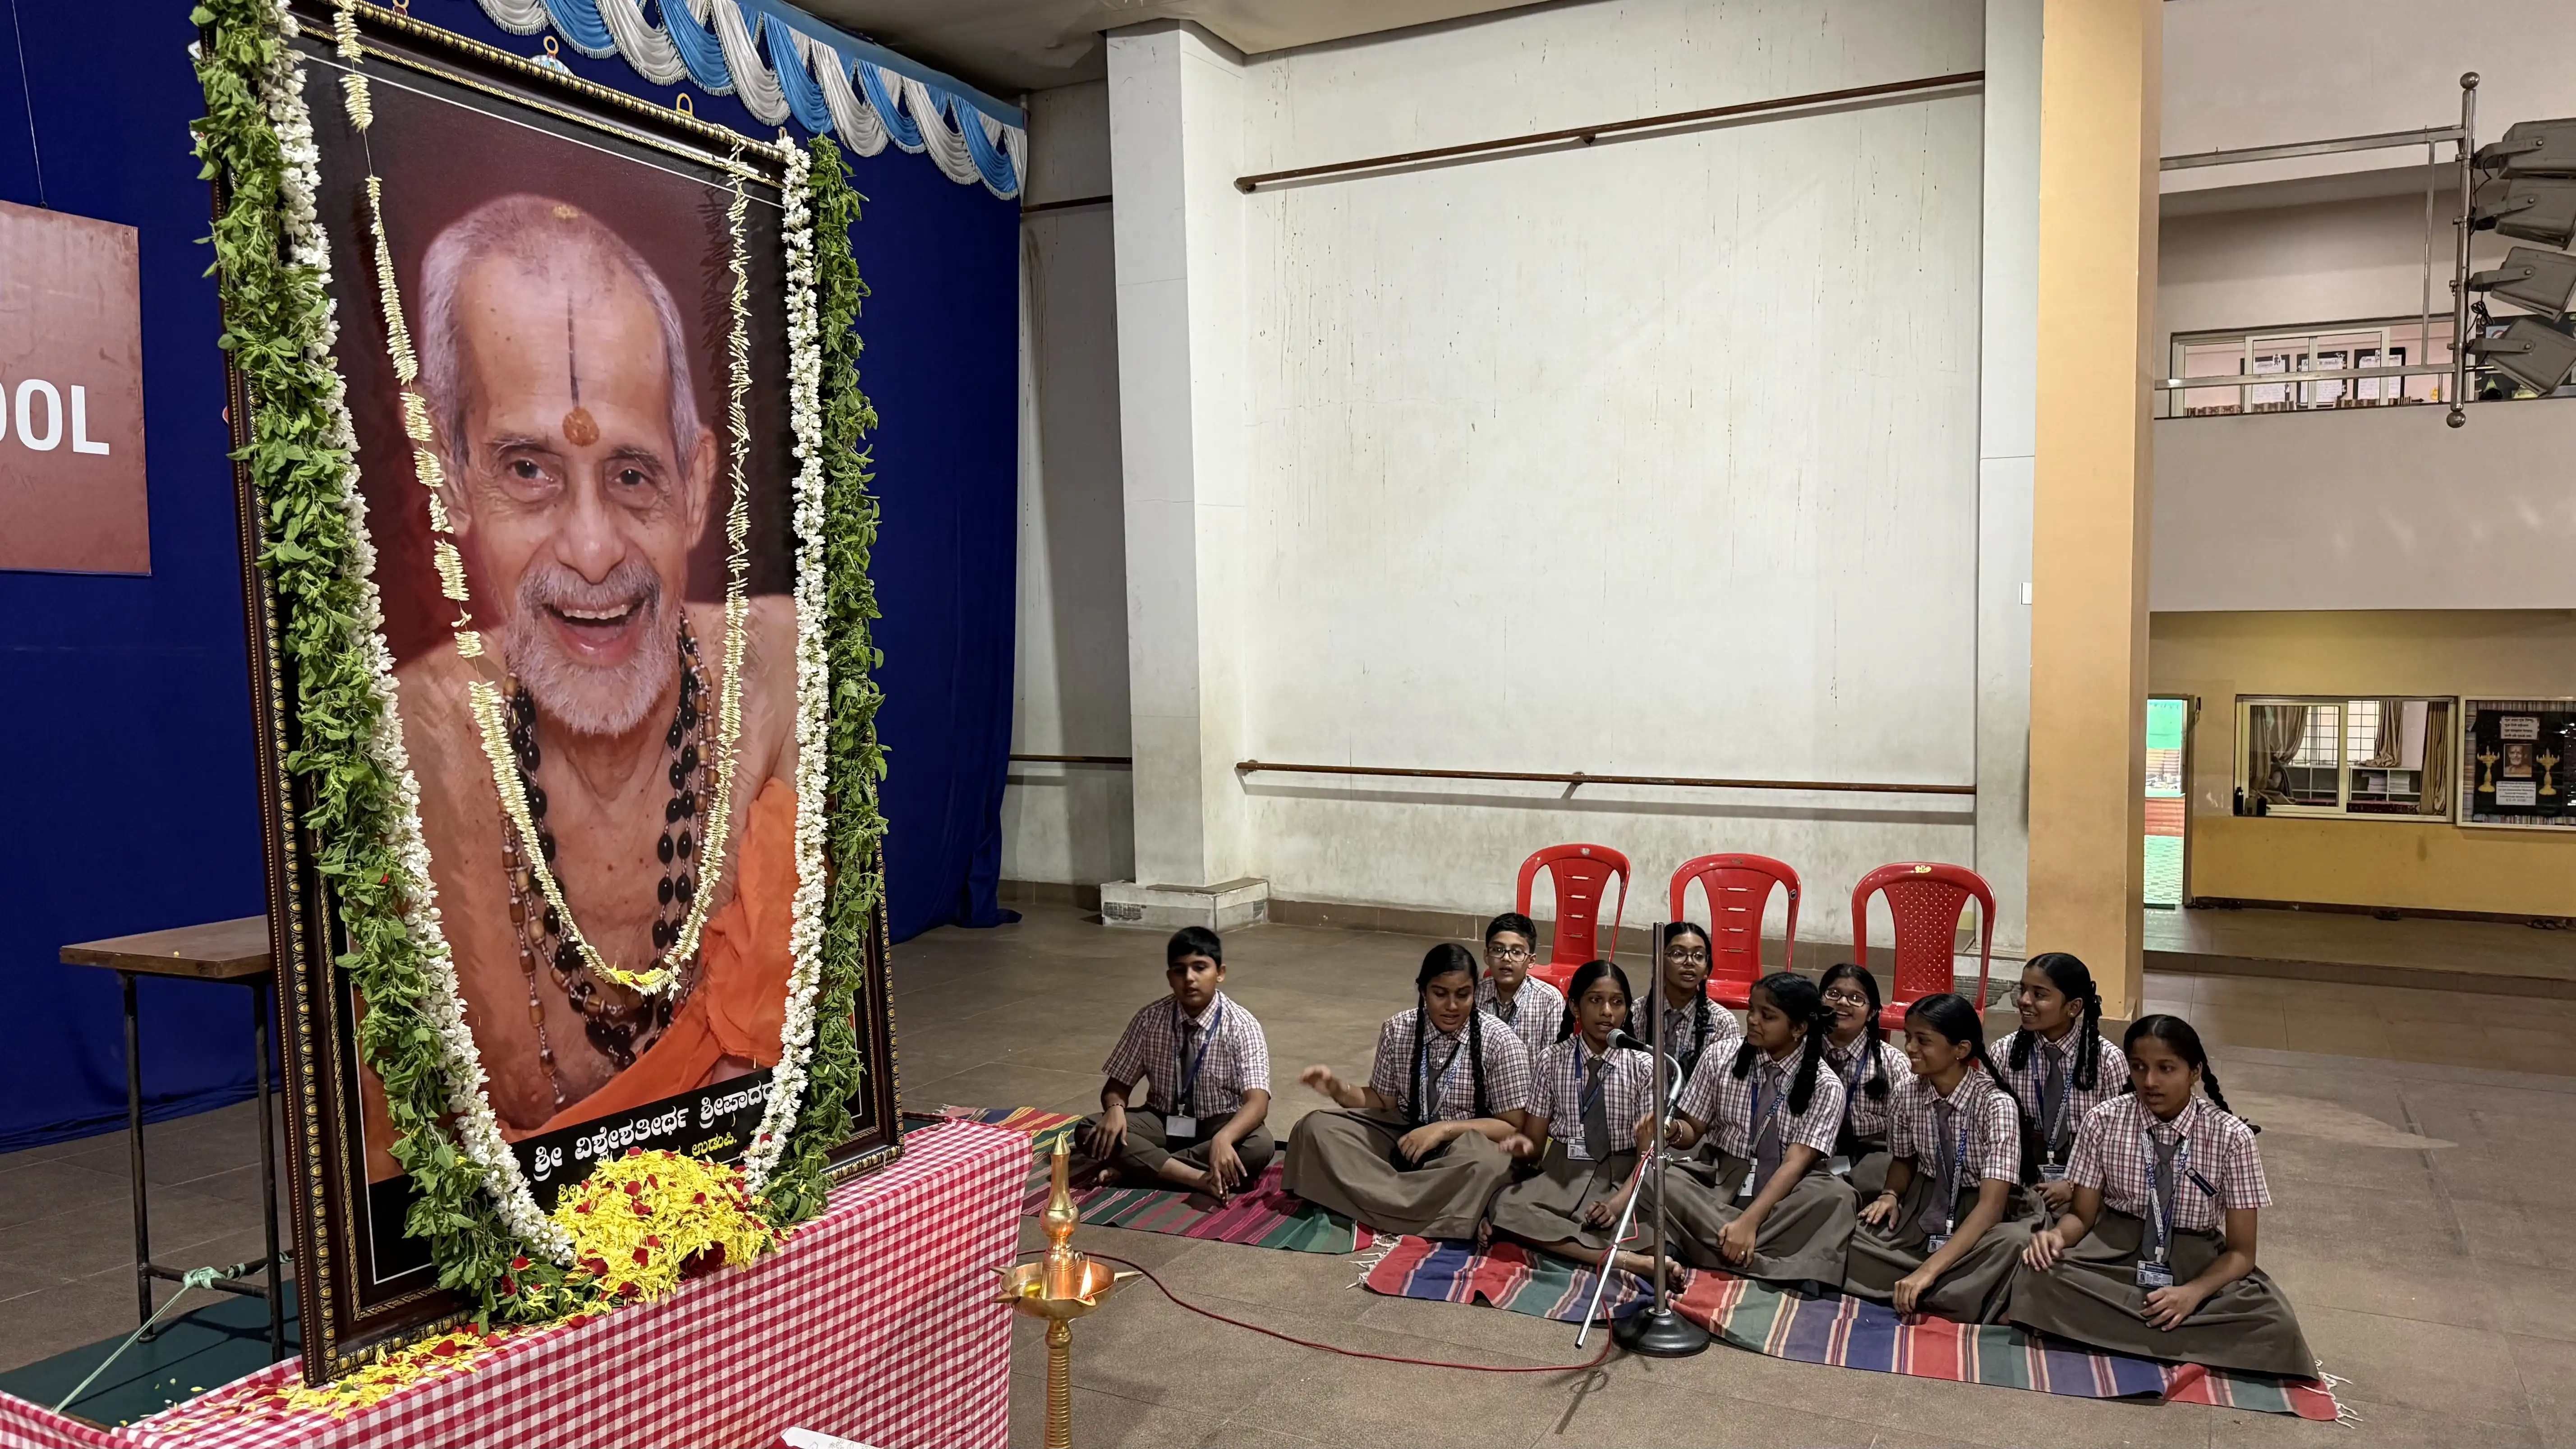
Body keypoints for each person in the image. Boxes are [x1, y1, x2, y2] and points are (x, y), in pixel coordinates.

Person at [362, 194, 800, 1176]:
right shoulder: (413, 738)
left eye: (634, 474)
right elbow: (403, 1163)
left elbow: (811, 1065)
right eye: (530, 468)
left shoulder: (773, 675)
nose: (595, 550)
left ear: (695, 487)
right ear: (450, 476)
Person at [2008, 1016, 2315, 1378]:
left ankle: (2110, 1330)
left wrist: (2192, 1293)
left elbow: (2242, 1252)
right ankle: (2169, 1337)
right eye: (2139, 1067)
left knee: (2273, 1323)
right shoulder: (2103, 1120)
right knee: (2038, 1275)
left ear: (2194, 1071)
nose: (2150, 1081)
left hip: (2193, 1258)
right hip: (2113, 1251)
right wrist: (2056, 1237)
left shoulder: (2232, 1137)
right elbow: (2082, 1217)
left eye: (2166, 1068)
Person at [1283, 943, 1532, 1239]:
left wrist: (1444, 1130)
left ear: (1475, 992)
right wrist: (1340, 1088)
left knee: (1491, 1164)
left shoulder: (1501, 1041)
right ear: (1423, 991)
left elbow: (1513, 1127)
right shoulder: (1399, 1028)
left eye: (1462, 994)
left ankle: (1376, 1202)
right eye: (1440, 993)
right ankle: (1440, 1211)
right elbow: (1381, 1100)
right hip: (1404, 1134)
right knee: (1315, 1127)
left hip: (1464, 1147)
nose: (1452, 1006)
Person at [1652, 972, 1857, 1286]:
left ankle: (1704, 1245)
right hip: (1720, 1178)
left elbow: (1794, 1165)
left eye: (1767, 1015)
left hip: (1786, 1192)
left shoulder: (1826, 1085)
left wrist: (1748, 1223)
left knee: (1837, 1197)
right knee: (1660, 1179)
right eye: (1751, 1009)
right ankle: (1783, 1264)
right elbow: (1693, 1129)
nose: (1752, 1020)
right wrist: (1672, 1131)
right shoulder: (1721, 1055)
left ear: (1799, 1029)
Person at [1843, 993, 2032, 1321]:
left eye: (1923, 1040)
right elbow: (1903, 1161)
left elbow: (1992, 1208)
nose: (1911, 1048)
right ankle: (1957, 1293)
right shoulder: (1906, 1091)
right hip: (1927, 1199)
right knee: (1850, 1239)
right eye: (1909, 1037)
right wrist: (1890, 1195)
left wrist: (1928, 1270)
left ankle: (1926, 1281)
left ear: (1961, 1050)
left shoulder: (1996, 1105)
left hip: (1981, 1209)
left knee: (2014, 1243)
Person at [1489, 961, 1674, 1285]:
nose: (1607, 1012)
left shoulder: (1644, 1065)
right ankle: (1631, 1262)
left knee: (1656, 1223)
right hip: (1564, 1170)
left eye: (1617, 1002)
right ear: (1575, 1005)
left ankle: (1586, 1246)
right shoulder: (1552, 1059)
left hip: (1623, 1174)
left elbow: (1649, 1157)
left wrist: (1617, 1205)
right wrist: (1523, 1147)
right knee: (1505, 1207)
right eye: (1595, 1000)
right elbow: (1533, 1144)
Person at [1072, 926, 1273, 1200]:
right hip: (1162, 1120)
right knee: (1089, 1129)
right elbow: (1116, 1086)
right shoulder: (1150, 1019)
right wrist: (1116, 1109)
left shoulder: (1242, 1026)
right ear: (1170, 977)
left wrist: (1224, 1138)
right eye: (1180, 970)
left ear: (1220, 973)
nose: (1189, 979)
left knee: (1259, 1146)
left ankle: (1140, 1168)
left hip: (1217, 1124)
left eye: (1200, 968)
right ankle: (1198, 1178)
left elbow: (1257, 1103)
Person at [1991, 952, 2127, 1211]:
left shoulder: (2107, 1062)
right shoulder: (2004, 1053)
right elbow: (1988, 1126)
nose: (2024, 1001)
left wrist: (2073, 1184)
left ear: (2073, 1007)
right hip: (2020, 1169)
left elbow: (2120, 1140)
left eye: (2039, 994)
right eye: (2023, 991)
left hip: (2089, 1177)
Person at [1817, 962, 1911, 1196]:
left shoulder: (1894, 1064)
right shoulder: (1800, 1052)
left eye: (1856, 998)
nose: (1843, 1003)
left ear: (1872, 1013)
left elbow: (1907, 1132)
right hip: (1811, 1148)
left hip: (1871, 1153)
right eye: (1834, 994)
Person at [1642, 921, 1742, 1088]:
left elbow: (1725, 1088)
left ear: (1706, 970)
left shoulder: (1723, 1023)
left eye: (1699, 956)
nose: (1689, 962)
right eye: (1678, 954)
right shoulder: (1638, 1012)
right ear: (1659, 962)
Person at [1475, 911, 1566, 1068]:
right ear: (1486, 956)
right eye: (1498, 950)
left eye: (1517, 952)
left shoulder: (1549, 1000)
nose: (1506, 958)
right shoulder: (1475, 993)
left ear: (1531, 961)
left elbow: (1555, 1061)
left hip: (1529, 1089)